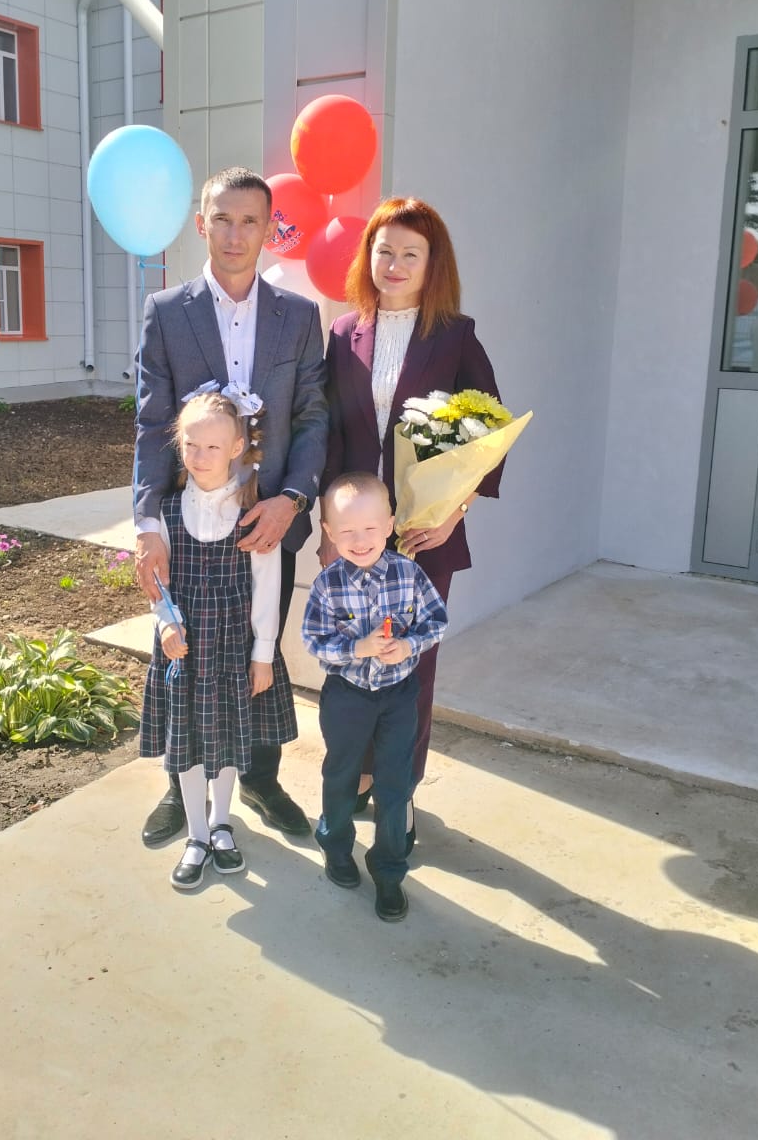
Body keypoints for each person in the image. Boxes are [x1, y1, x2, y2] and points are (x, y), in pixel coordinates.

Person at [134, 166, 328, 845]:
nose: (235, 234)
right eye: (222, 219)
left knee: (258, 646)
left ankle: (260, 779)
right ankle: (179, 786)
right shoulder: (168, 312)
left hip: (268, 515)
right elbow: (150, 422)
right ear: (201, 224)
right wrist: (148, 523)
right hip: (190, 519)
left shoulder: (298, 316)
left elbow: (312, 416)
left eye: (250, 221)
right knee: (183, 650)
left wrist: (291, 500)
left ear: (270, 229)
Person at [320, 197, 503, 850]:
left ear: (432, 265)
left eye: (410, 254)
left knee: (410, 669)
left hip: (425, 535)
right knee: (356, 660)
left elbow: (488, 431)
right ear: (368, 256)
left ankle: (399, 788)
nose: (394, 264)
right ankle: (361, 775)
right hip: (355, 535)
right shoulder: (344, 333)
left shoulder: (454, 335)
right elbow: (333, 435)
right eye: (384, 250)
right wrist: (327, 528)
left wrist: (454, 512)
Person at [141, 392, 297, 889]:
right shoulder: (166, 511)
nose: (200, 456)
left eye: (213, 447)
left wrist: (263, 653)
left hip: (232, 648)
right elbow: (157, 581)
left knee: (228, 736)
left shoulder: (254, 511)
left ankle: (222, 824)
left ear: (236, 448)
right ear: (179, 444)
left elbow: (267, 586)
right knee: (187, 740)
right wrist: (166, 623)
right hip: (185, 648)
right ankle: (196, 834)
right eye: (191, 445)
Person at [302, 473, 447, 922]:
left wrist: (409, 645)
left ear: (389, 524)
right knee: (341, 774)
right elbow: (314, 641)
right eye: (346, 530)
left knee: (394, 784)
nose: (360, 540)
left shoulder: (410, 574)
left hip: (399, 695)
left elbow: (436, 622)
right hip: (346, 697)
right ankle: (336, 847)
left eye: (370, 528)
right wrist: (357, 648)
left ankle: (388, 871)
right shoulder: (328, 585)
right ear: (329, 532)